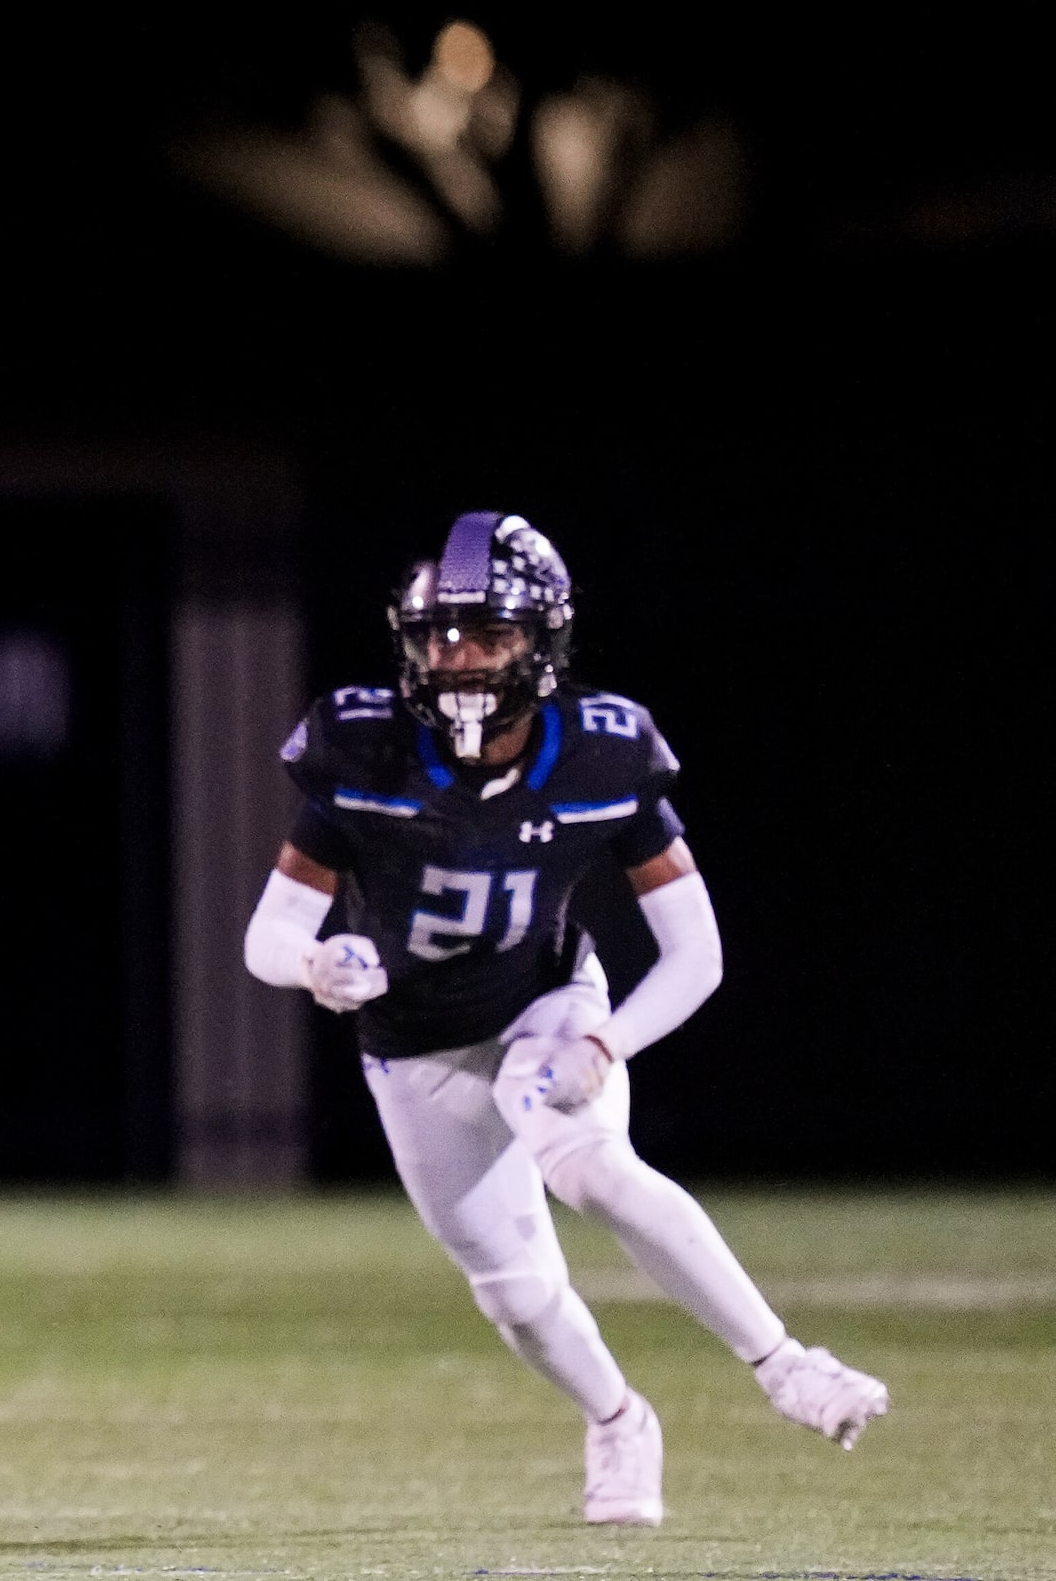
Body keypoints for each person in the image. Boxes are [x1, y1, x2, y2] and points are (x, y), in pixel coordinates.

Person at [243, 511, 886, 1525]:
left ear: (538, 642)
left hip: (541, 1001)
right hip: (409, 1044)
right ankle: (619, 1419)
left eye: (484, 635)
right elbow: (266, 934)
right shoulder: (361, 750)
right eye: (439, 635)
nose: (455, 658)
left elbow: (694, 954)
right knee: (509, 1290)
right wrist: (313, 963)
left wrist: (602, 1040)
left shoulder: (601, 752)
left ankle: (786, 1366)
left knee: (585, 1165)